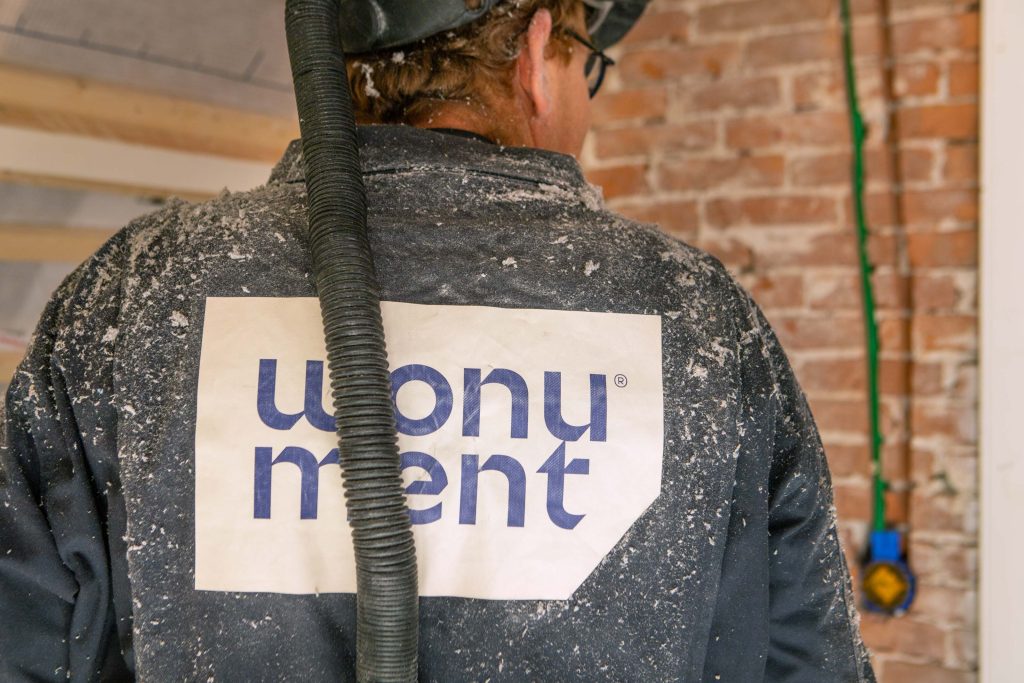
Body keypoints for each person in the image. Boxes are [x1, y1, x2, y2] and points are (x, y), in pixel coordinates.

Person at [0, 1, 875, 680]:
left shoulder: (139, 292)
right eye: (587, 66)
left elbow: (24, 635)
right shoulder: (696, 319)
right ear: (537, 55)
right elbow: (804, 660)